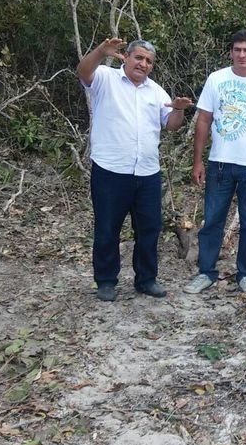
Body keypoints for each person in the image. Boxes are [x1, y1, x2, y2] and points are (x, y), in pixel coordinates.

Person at [77, 37, 193, 302]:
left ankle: (146, 279)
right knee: (107, 228)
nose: (143, 64)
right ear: (126, 57)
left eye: (149, 61)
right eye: (139, 58)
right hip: (110, 170)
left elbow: (172, 125)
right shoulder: (106, 78)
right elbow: (83, 71)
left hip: (147, 173)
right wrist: (100, 52)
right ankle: (106, 281)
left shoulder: (156, 92)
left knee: (149, 229)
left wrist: (178, 110)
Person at [185, 30, 246, 296]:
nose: (242, 54)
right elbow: (204, 120)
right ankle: (206, 272)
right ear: (231, 51)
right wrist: (198, 161)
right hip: (219, 163)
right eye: (237, 49)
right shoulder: (216, 79)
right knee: (213, 220)